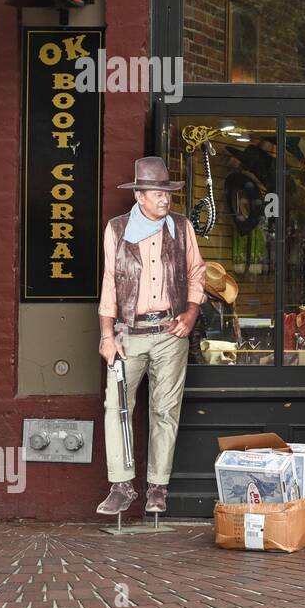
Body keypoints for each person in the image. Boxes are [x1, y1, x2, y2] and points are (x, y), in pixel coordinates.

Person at [97, 157, 207, 515]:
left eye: (167, 191)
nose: (165, 198)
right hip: (129, 333)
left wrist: (190, 313)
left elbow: (196, 271)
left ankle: (158, 488)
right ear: (140, 195)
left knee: (165, 411)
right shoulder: (117, 229)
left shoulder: (181, 226)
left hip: (170, 333)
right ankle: (122, 485)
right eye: (157, 192)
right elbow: (111, 283)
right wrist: (106, 335)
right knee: (116, 407)